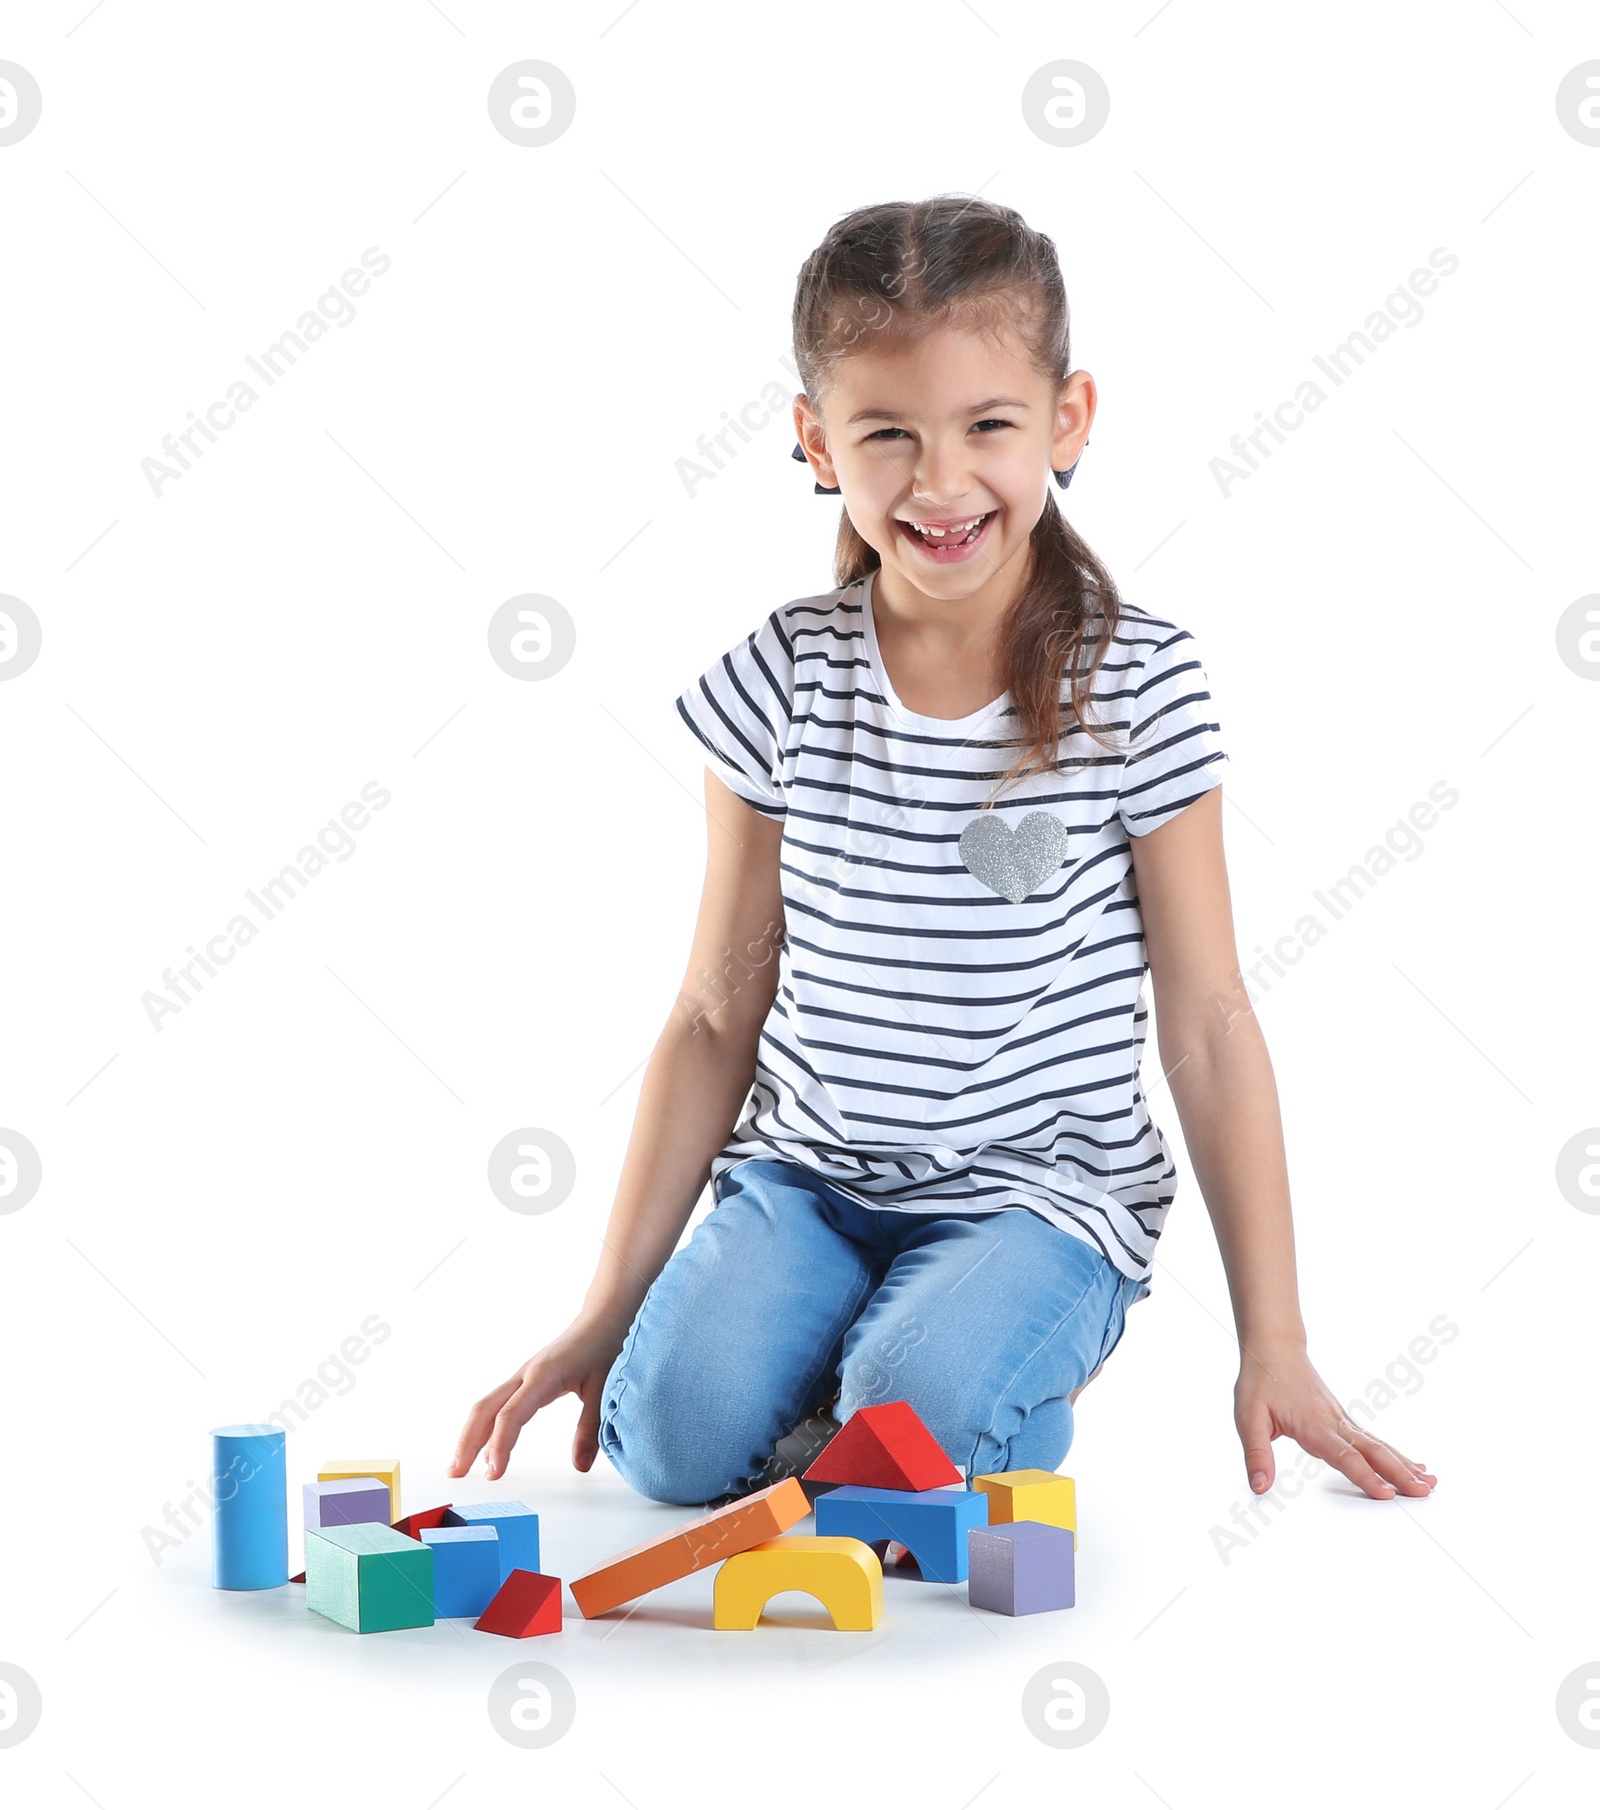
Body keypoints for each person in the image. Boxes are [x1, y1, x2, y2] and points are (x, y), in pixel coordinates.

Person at [450, 194, 1437, 1512]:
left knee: (910, 1437)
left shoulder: (1137, 684)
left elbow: (1204, 1018)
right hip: (812, 1180)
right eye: (887, 435)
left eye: (988, 426)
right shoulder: (782, 680)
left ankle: (931, 1377)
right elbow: (712, 1005)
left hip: (1038, 1193)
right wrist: (597, 1312)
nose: (940, 481)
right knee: (674, 1443)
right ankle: (854, 1367)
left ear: (1067, 421)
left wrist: (1279, 1340)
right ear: (816, 442)